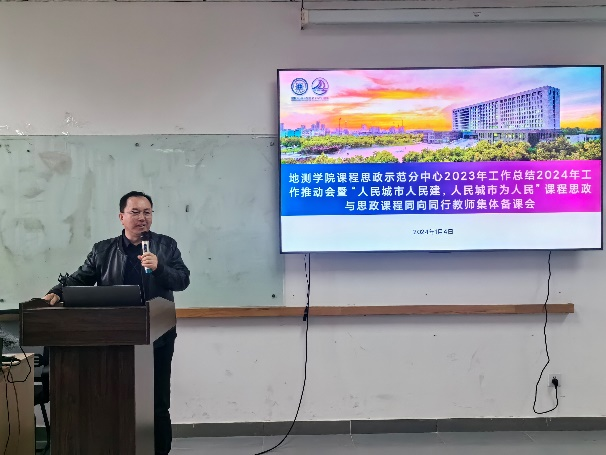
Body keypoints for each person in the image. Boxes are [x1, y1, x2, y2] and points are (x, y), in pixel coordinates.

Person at [43, 191, 190, 455]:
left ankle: (159, 451)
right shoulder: (103, 250)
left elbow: (182, 280)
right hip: (114, 338)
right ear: (122, 217)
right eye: (135, 212)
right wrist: (57, 291)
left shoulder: (166, 246)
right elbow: (80, 278)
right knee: (115, 399)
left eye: (147, 212)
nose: (142, 218)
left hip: (157, 336)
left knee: (157, 400)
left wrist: (160, 268)